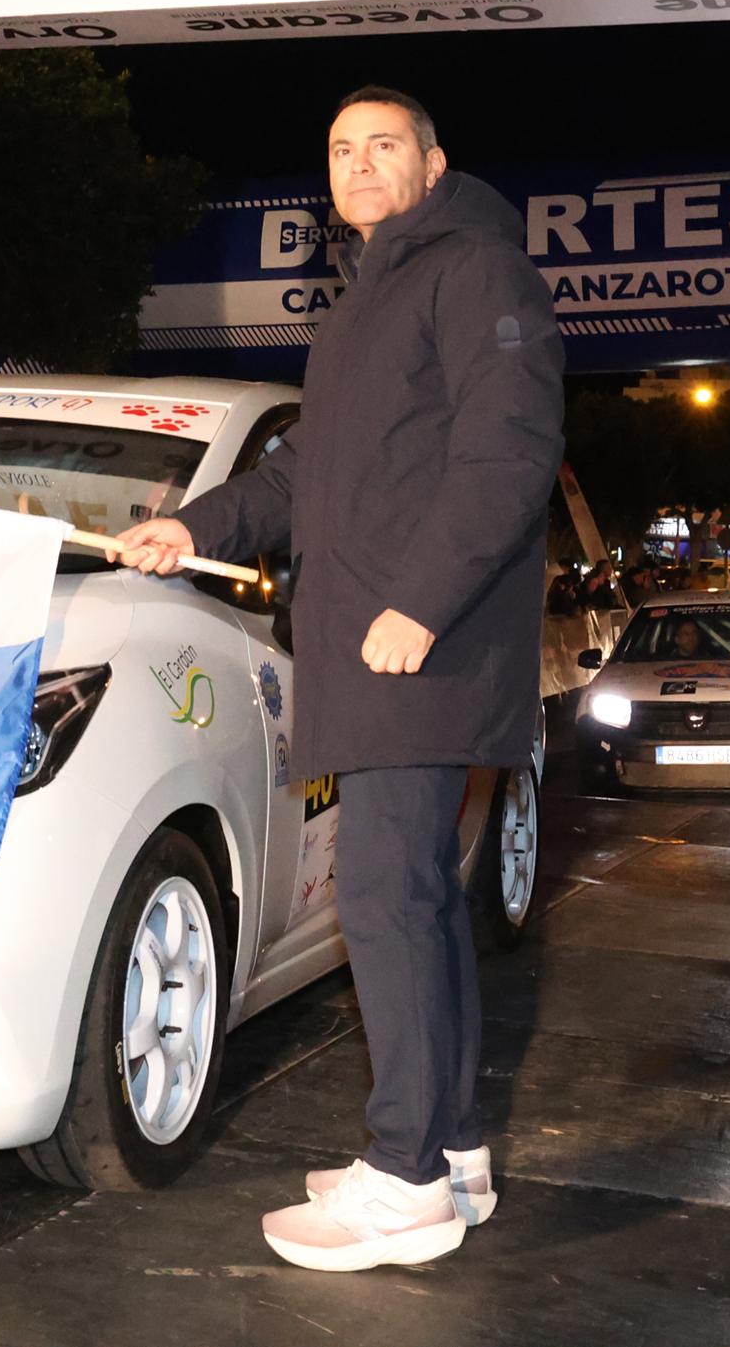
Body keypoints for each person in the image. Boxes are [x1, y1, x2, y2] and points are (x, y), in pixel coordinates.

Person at [116, 86, 564, 1273]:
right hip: (378, 647)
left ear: (432, 161)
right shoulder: (380, 288)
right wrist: (196, 523)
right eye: (340, 151)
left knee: (380, 900)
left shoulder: (472, 270)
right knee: (411, 898)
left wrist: (419, 603)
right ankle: (451, 1149)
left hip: (418, 646)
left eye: (384, 147)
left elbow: (508, 456)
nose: (359, 166)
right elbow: (312, 468)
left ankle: (402, 1178)